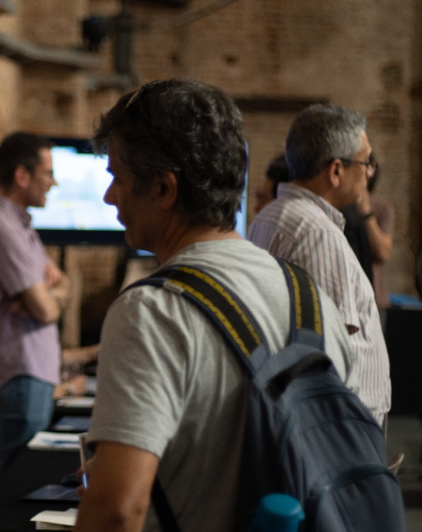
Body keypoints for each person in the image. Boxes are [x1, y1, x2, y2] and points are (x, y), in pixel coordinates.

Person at [74, 79, 355, 532]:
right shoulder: (312, 300)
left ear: (165, 189)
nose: (110, 197)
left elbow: (116, 511)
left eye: (118, 179)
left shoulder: (152, 310)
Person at [248, 104, 391, 426]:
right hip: (341, 430)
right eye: (365, 162)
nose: (370, 172)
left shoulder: (272, 214)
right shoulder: (317, 233)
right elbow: (332, 353)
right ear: (336, 170)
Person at [0, 132, 69, 479]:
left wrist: (48, 294)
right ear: (22, 176)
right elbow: (46, 311)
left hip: (33, 369)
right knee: (15, 484)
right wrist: (47, 299)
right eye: (47, 173)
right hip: (20, 369)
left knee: (27, 479)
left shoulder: (21, 225)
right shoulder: (3, 230)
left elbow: (62, 286)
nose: (53, 183)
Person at [341, 153, 396, 309]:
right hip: (346, 298)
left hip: (374, 299)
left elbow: (383, 252)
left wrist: (366, 212)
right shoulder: (340, 203)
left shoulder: (383, 208)